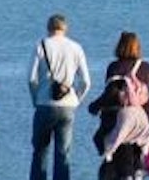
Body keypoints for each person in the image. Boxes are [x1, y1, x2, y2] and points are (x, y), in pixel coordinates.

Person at [91, 32, 149, 180]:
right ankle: (137, 170)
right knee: (135, 154)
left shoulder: (113, 67)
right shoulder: (146, 67)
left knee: (113, 153)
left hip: (117, 121)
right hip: (142, 123)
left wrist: (94, 107)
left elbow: (109, 95)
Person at [28, 13, 91, 180]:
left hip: (44, 104)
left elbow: (31, 79)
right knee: (63, 153)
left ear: (49, 28)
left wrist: (36, 99)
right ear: (65, 28)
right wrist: (76, 100)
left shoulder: (41, 46)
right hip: (67, 106)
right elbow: (85, 81)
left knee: (40, 151)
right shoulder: (76, 47)